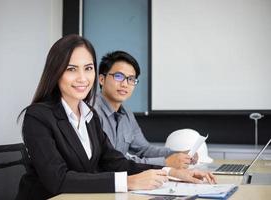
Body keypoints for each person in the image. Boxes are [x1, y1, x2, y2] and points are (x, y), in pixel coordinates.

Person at [16, 35, 215, 200]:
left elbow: (116, 162)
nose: (82, 78)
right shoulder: (38, 117)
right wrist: (127, 182)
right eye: (71, 69)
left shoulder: (88, 116)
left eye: (88, 68)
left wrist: (171, 172)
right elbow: (58, 180)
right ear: (56, 72)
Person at [94, 51, 196, 169]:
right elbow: (110, 162)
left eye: (131, 79)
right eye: (118, 76)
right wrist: (165, 162)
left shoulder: (126, 113)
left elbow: (144, 149)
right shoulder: (92, 112)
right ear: (102, 79)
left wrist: (179, 154)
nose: (125, 84)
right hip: (102, 183)